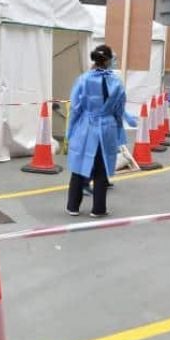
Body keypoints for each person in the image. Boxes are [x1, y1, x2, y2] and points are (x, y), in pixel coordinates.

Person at [65, 45, 129, 218]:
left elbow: (75, 107)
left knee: (79, 165)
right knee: (101, 168)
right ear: (108, 60)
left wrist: (70, 130)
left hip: (86, 125)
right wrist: (119, 129)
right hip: (106, 127)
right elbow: (119, 108)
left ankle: (73, 206)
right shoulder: (116, 82)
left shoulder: (83, 79)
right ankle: (98, 208)